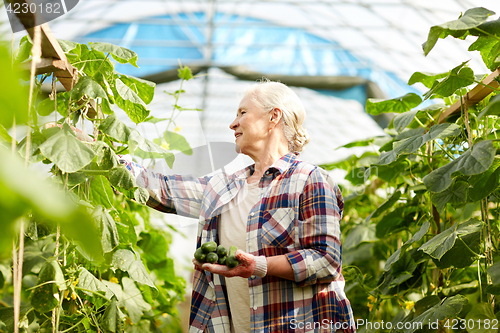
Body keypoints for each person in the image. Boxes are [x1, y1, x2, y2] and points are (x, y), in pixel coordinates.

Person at [122, 80, 356, 333]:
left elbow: (326, 260)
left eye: (242, 113)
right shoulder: (224, 188)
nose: (232, 123)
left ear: (273, 117)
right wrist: (101, 155)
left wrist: (257, 266)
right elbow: (160, 188)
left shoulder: (310, 180)